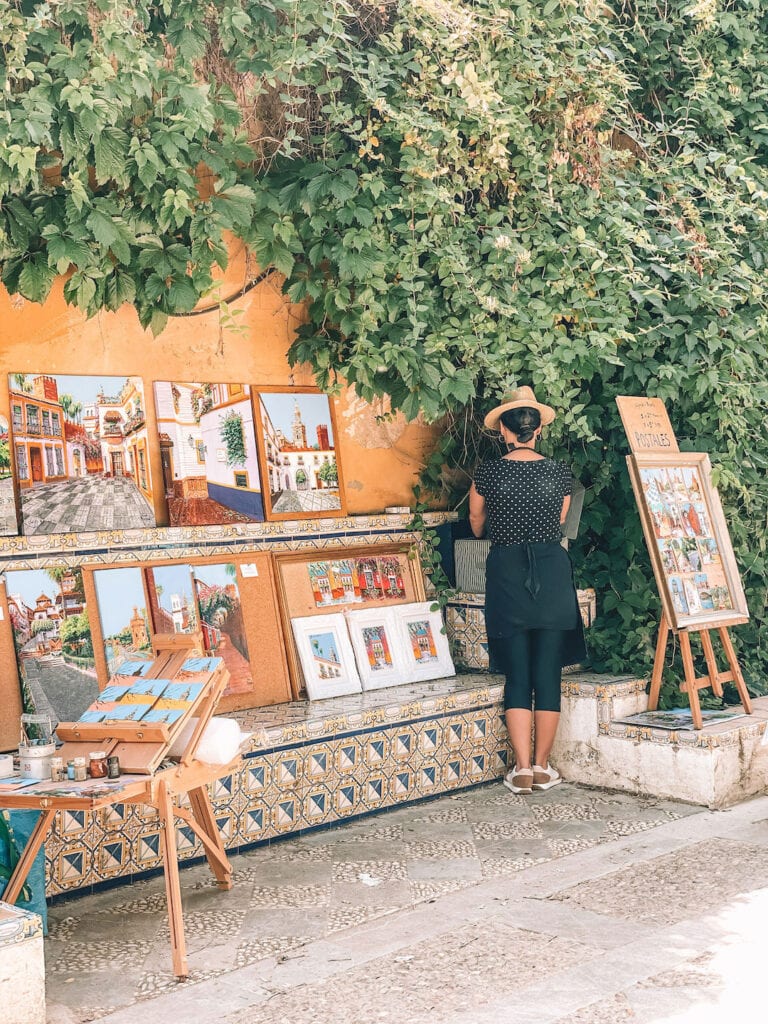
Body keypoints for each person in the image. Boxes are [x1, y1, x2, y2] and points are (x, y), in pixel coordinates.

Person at [469, 386, 586, 794]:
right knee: (547, 673)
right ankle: (542, 765)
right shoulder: (559, 472)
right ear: (537, 431)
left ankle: (520, 769)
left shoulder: (489, 472)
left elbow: (476, 521)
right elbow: (559, 520)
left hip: (506, 571)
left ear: (504, 429)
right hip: (551, 572)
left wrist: (497, 529)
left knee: (517, 672)